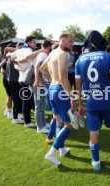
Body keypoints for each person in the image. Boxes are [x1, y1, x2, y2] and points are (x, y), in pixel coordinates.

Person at [75, 30, 110, 171]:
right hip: (108, 100)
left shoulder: (80, 60)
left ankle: (96, 162)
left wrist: (80, 104)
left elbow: (78, 86)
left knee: (93, 133)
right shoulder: (108, 57)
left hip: (91, 102)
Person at [41, 33, 76, 166]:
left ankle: (61, 149)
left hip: (52, 89)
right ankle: (51, 153)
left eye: (73, 42)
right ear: (62, 40)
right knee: (69, 124)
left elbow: (42, 68)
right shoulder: (63, 54)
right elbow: (63, 77)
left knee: (58, 121)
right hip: (61, 90)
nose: (72, 44)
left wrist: (51, 80)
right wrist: (71, 95)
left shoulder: (52, 53)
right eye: (70, 41)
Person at [31, 40, 52, 133]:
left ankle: (42, 123)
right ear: (49, 46)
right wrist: (37, 80)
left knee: (42, 104)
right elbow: (37, 67)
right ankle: (40, 127)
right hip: (39, 84)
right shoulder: (43, 54)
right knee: (39, 105)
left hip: (40, 83)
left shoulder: (40, 54)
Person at [4, 42, 24, 124]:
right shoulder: (10, 54)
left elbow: (2, 64)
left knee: (17, 98)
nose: (22, 48)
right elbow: (6, 49)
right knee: (14, 98)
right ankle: (14, 115)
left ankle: (16, 114)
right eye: (20, 46)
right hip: (12, 80)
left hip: (13, 79)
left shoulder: (15, 55)